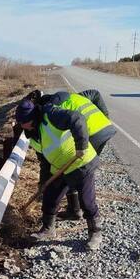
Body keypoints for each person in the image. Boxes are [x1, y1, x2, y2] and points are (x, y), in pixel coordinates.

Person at [16, 98, 103, 250]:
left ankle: (95, 232)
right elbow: (44, 161)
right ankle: (48, 229)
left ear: (31, 118)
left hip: (81, 161)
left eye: (24, 122)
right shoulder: (32, 134)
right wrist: (43, 183)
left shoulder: (50, 115)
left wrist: (81, 145)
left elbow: (77, 118)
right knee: (50, 195)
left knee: (86, 200)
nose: (22, 126)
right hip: (59, 167)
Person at [26, 89, 116, 220]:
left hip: (94, 132)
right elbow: (95, 93)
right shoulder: (65, 99)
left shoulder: (52, 110)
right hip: (95, 129)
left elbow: (91, 98)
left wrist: (104, 117)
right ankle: (74, 210)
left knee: (78, 170)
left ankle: (81, 210)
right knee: (71, 170)